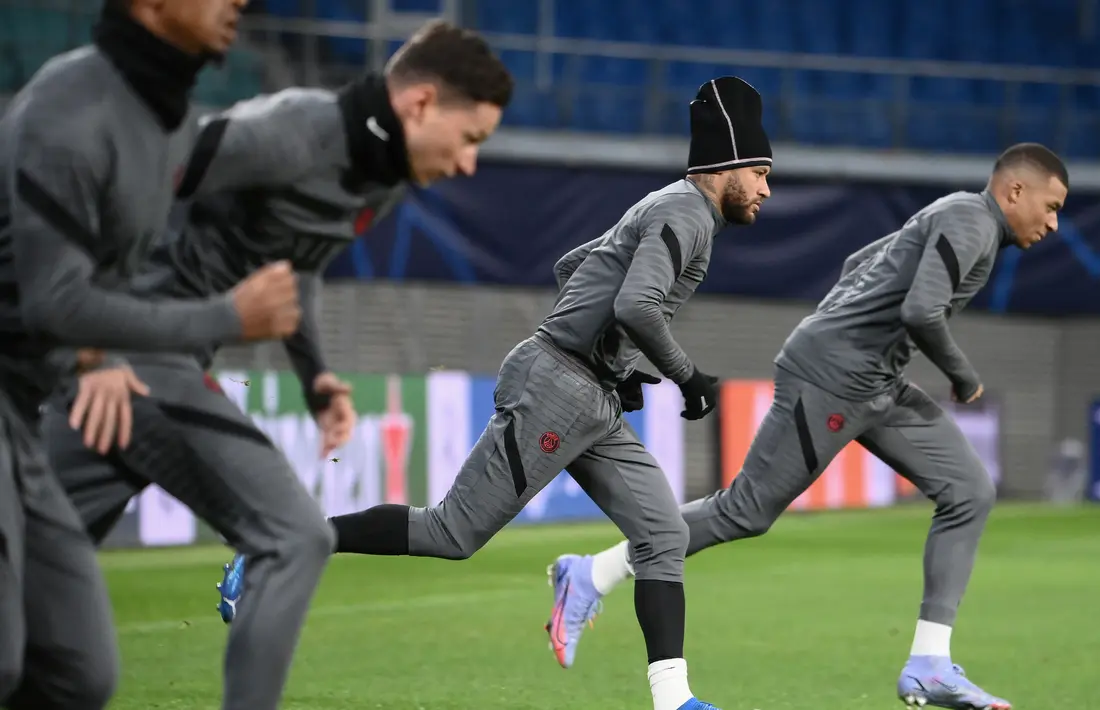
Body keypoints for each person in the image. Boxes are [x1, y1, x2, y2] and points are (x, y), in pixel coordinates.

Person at [219, 75, 774, 710]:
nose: (765, 188)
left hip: (588, 392)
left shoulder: (667, 206)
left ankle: (673, 701)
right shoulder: (688, 215)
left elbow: (575, 266)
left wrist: (614, 363)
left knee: (664, 534)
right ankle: (281, 544)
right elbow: (636, 304)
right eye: (758, 171)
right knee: (451, 533)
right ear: (727, 163)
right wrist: (685, 376)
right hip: (559, 390)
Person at [41, 18, 513, 710]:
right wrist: (97, 343)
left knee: (34, 574)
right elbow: (135, 179)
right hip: (139, 358)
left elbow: (298, 268)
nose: (470, 163)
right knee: (295, 536)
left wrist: (315, 375)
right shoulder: (293, 131)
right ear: (419, 105)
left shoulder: (381, 183)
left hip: (163, 362)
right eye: (470, 139)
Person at [542, 142, 1069, 710]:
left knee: (969, 490)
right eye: (1052, 205)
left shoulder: (955, 218)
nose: (1053, 222)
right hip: (831, 377)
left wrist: (850, 325)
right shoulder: (971, 222)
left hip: (877, 382)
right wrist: (963, 377)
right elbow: (921, 312)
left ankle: (929, 664)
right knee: (744, 510)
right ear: (1016, 190)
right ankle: (591, 573)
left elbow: (857, 265)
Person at [0, 1, 303, 708]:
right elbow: (53, 301)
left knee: (78, 671)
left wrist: (94, 357)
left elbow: (84, 276)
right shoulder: (68, 108)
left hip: (19, 410)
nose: (239, 2)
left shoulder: (168, 122)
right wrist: (226, 315)